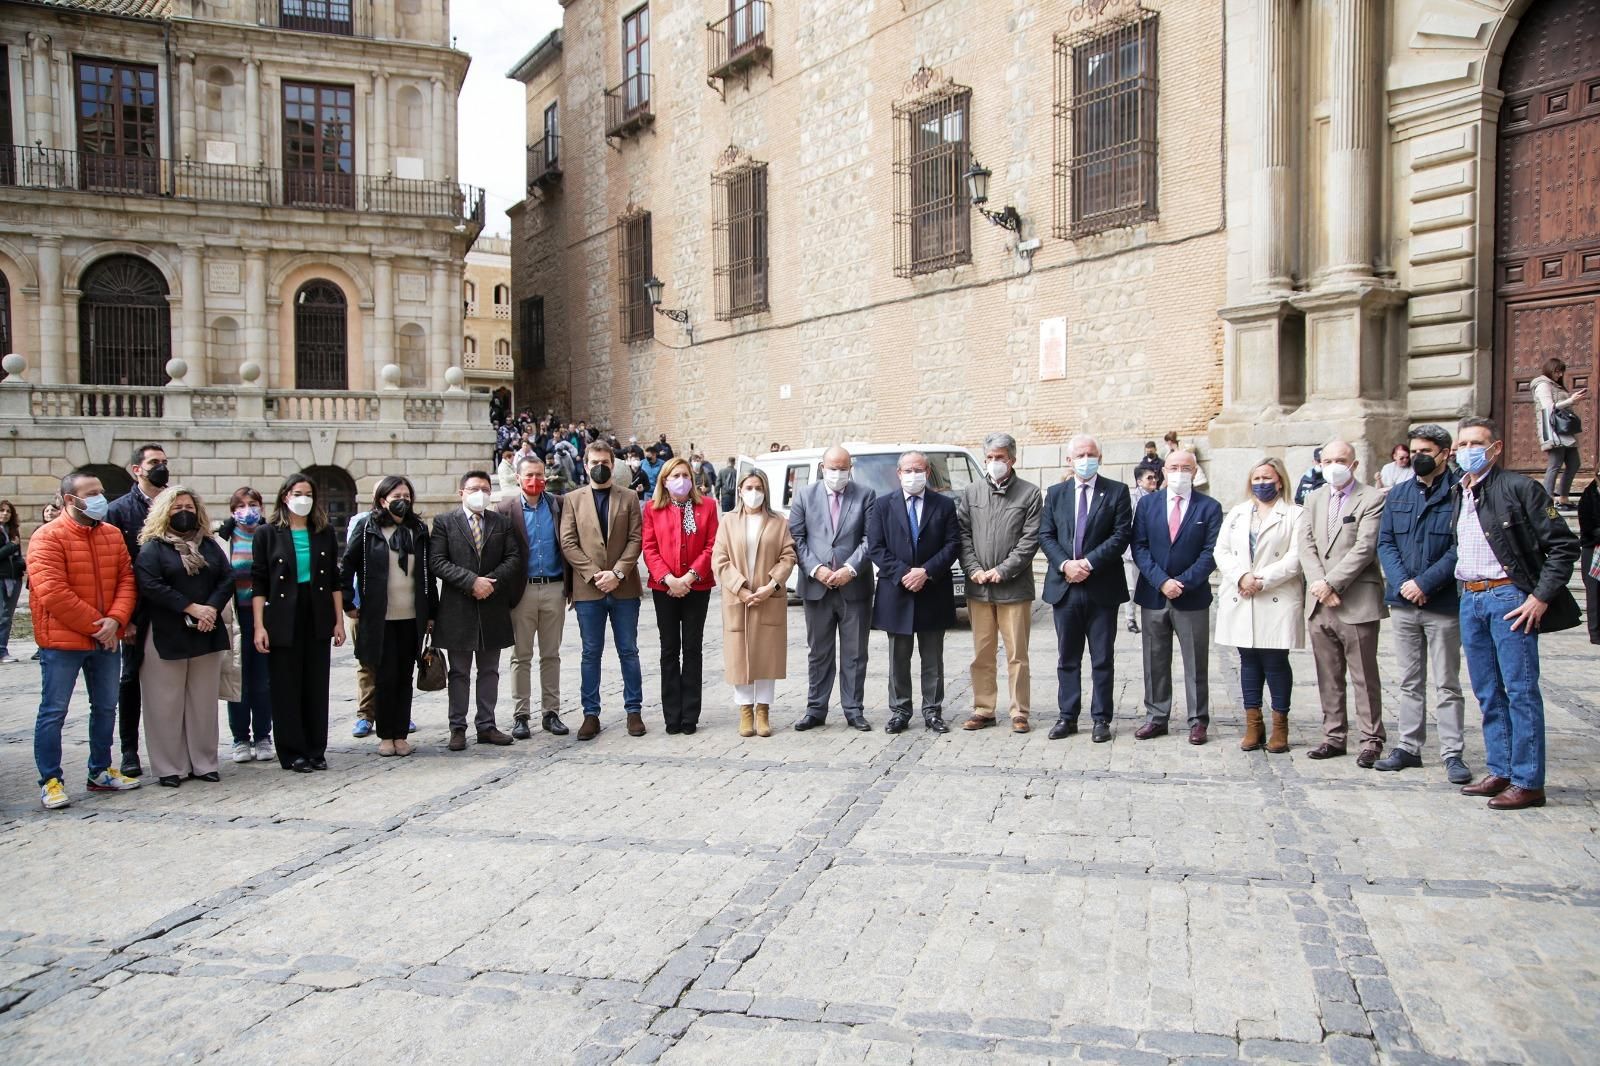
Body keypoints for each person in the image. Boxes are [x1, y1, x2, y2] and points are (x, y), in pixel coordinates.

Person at [1452, 417, 1580, 810]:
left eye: (1476, 443)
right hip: (1470, 599)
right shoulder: (1459, 491)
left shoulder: (1520, 488)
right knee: (1488, 691)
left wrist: (1539, 597)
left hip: (1509, 599)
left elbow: (1563, 547)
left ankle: (1528, 781)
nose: (1467, 450)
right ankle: (1501, 769)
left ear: (1496, 448)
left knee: (1521, 691)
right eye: (1462, 444)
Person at [29, 470, 142, 809]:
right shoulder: (47, 537)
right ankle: (51, 779)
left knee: (106, 706)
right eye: (91, 493)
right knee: (54, 711)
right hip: (64, 642)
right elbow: (54, 593)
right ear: (69, 500)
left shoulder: (110, 534)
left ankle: (100, 770)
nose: (100, 498)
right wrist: (100, 626)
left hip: (106, 639)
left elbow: (126, 579)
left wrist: (117, 619)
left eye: (101, 492)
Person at [1373, 425, 1471, 783]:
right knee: (1409, 680)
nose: (1418, 457)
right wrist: (1403, 584)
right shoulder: (1398, 494)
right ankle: (1408, 747)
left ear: (1445, 453)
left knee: (1447, 682)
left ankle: (1452, 752)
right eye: (1414, 451)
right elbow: (1386, 543)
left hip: (1442, 603)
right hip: (1403, 603)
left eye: (1426, 450)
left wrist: (1425, 583)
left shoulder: (1460, 493)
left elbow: (1461, 546)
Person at [134, 486, 231, 788]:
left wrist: (211, 609)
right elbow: (150, 584)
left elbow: (226, 578)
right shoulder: (153, 547)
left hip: (206, 630)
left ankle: (204, 762)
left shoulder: (210, 545)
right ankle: (169, 766)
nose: (184, 512)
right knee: (165, 703)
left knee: (203, 702)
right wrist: (191, 608)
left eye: (188, 506)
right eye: (177, 508)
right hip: (167, 631)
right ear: (164, 512)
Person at [1039, 435, 1133, 743]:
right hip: (1064, 587)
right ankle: (1067, 716)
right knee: (1067, 657)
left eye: (1091, 453)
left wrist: (1088, 564)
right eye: (1080, 454)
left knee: (1102, 657)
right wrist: (1066, 565)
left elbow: (1121, 536)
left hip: (1101, 587)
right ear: (1068, 460)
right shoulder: (1055, 493)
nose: (1085, 458)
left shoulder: (1117, 492)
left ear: (1100, 458)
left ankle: (1101, 718)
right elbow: (1046, 535)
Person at [1300, 440, 1388, 767]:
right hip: (1320, 603)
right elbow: (1306, 545)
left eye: (1341, 460)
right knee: (1328, 674)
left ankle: (1371, 739)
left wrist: (1331, 582)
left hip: (1356, 600)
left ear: (1353, 464)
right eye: (1328, 460)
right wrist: (1318, 585)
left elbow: (1365, 548)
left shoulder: (1372, 498)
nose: (1334, 465)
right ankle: (1334, 735)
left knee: (1364, 675)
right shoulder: (1313, 498)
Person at [251, 473, 346, 773]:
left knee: (316, 683)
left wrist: (339, 621)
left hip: (316, 609)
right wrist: (259, 626)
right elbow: (259, 582)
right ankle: (293, 751)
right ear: (284, 496)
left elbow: (334, 579)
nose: (302, 499)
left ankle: (316, 748)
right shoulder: (267, 533)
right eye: (296, 493)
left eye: (308, 493)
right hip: (281, 612)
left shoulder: (323, 531)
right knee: (285, 685)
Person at [1131, 450, 1223, 745]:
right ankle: (1156, 716)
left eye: (1186, 467)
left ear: (1195, 472)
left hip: (1192, 596)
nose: (1179, 472)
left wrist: (1181, 582)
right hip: (1154, 594)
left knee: (1196, 661)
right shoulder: (1147, 505)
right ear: (1163, 471)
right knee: (1154, 659)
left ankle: (1198, 720)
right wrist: (1161, 581)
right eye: (1174, 467)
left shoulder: (1209, 507)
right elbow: (1139, 548)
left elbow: (1211, 553)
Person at [866, 450, 961, 734]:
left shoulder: (943, 505)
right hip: (897, 591)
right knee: (899, 658)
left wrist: (927, 571)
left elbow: (953, 544)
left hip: (933, 590)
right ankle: (900, 711)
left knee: (933, 657)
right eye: (907, 470)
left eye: (918, 470)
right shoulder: (883, 506)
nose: (913, 475)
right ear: (899, 474)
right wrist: (904, 573)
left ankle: (933, 711)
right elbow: (876, 547)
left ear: (927, 472)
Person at [1214, 459, 1303, 754]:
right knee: (1248, 661)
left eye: (1267, 477)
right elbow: (1221, 550)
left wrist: (1261, 579)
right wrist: (1241, 576)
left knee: (1276, 662)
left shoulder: (1294, 514)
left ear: (1280, 481)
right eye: (1256, 477)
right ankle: (1253, 723)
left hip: (1273, 595)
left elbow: (1295, 557)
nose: (1261, 482)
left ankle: (1280, 726)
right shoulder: (1238, 513)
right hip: (1242, 594)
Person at [430, 470, 523, 751]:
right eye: (474, 488)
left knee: (490, 670)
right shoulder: (445, 522)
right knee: (459, 672)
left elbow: (513, 557)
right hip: (458, 607)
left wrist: (490, 583)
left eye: (485, 488)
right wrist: (471, 582)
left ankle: (487, 725)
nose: (479, 492)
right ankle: (457, 727)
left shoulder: (501, 523)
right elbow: (437, 561)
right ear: (462, 492)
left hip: (492, 606)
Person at [559, 440, 647, 740]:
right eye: (594, 462)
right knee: (590, 653)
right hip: (589, 590)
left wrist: (618, 573)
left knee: (629, 651)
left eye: (605, 463)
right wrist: (596, 575)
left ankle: (633, 711)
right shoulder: (572, 499)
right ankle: (590, 714)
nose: (600, 467)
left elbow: (636, 539)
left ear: (613, 464)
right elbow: (568, 542)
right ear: (585, 465)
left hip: (624, 589)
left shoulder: (629, 498)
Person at [344, 476, 436, 757]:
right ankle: (385, 734)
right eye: (397, 495)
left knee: (405, 676)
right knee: (384, 676)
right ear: (382, 499)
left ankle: (401, 733)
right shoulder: (367, 527)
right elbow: (347, 566)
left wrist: (432, 611)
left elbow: (428, 574)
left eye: (407, 496)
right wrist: (349, 603)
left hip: (411, 615)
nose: (403, 500)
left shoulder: (417, 529)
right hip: (379, 616)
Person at [957, 432, 1041, 733]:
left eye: (1000, 458)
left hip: (1014, 589)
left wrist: (1003, 570)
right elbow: (963, 536)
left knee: (1017, 654)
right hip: (979, 588)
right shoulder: (971, 492)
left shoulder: (1029, 494)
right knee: (982, 652)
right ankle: (983, 708)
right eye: (990, 458)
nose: (995, 463)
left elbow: (1030, 540)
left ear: (1012, 459)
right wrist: (974, 568)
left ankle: (1020, 712)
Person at [790, 446, 875, 731]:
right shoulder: (804, 495)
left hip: (854, 587)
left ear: (850, 468)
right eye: (832, 468)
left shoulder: (865, 495)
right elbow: (797, 538)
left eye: (843, 468)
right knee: (819, 652)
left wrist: (850, 569)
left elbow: (869, 538)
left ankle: (854, 709)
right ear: (822, 467)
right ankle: (816, 709)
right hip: (817, 587)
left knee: (855, 653)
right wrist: (818, 569)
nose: (837, 473)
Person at [713, 469, 797, 737]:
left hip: (768, 596)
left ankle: (763, 711)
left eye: (758, 487)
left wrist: (770, 585)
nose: (753, 493)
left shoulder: (778, 521)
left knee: (766, 656)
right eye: (748, 487)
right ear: (739, 490)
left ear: (765, 490)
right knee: (740, 656)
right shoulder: (728, 522)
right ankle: (745, 711)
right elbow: (720, 559)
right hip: (739, 599)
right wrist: (740, 588)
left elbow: (788, 557)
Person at [106, 442, 171, 778]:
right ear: (137, 470)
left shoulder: (175, 503)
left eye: (164, 461)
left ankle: (172, 748)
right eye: (153, 462)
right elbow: (115, 568)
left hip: (172, 605)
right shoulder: (119, 511)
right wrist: (124, 618)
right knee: (130, 677)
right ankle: (129, 749)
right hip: (137, 608)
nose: (161, 467)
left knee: (170, 678)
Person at [496, 457, 572, 740]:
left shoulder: (558, 505)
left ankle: (551, 712)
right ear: (518, 477)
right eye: (529, 475)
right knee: (521, 656)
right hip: (522, 590)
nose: (535, 480)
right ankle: (521, 714)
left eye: (540, 475)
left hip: (554, 587)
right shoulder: (506, 510)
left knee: (551, 654)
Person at [643, 457, 719, 734]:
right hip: (664, 588)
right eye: (675, 475)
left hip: (697, 587)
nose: (681, 480)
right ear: (664, 480)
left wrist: (690, 576)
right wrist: (669, 579)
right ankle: (671, 716)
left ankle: (690, 716)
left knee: (692, 649)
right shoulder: (653, 509)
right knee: (669, 650)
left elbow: (712, 545)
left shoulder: (707, 506)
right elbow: (649, 547)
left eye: (685, 475)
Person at [218, 488, 273, 763]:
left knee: (263, 680)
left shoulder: (271, 534)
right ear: (232, 511)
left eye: (253, 504)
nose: (248, 510)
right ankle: (240, 737)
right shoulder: (223, 538)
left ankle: (263, 735)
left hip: (264, 614)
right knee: (237, 678)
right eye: (241, 505)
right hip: (235, 615)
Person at [1531, 358, 1586, 511]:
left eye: (1562, 371)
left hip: (1564, 431)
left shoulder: (1555, 386)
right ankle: (1547, 502)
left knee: (1574, 463)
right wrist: (1571, 400)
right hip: (1554, 430)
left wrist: (1571, 400)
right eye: (1557, 371)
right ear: (1549, 370)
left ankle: (1563, 498)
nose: (1560, 374)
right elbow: (1548, 407)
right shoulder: (1542, 385)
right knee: (1555, 464)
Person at [346, 507, 381, 738]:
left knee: (395, 664)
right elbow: (350, 563)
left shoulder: (408, 526)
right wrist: (350, 602)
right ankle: (365, 715)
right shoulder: (361, 522)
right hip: (364, 606)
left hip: (396, 608)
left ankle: (395, 712)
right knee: (366, 663)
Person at [1122, 469, 1160, 633]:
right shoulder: (1131, 498)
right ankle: (1130, 619)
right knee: (1132, 587)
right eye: (1149, 478)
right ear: (1139, 481)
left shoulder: (1160, 497)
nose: (1153, 480)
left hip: (1156, 550)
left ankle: (1154, 618)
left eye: (1155, 477)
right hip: (1134, 550)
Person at [0, 500, 24, 663]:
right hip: (1, 577)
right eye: (2, 511)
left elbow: (17, 556)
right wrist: (11, 546)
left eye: (8, 511)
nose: (5, 514)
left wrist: (22, 564)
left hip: (14, 577)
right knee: (2, 616)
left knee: (7, 616)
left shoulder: (13, 531)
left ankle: (3, 649)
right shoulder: (10, 539)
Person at [1581, 468, 1600, 646]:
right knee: (1593, 592)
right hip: (1592, 547)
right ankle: (1595, 634)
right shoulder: (1589, 494)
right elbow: (1586, 525)